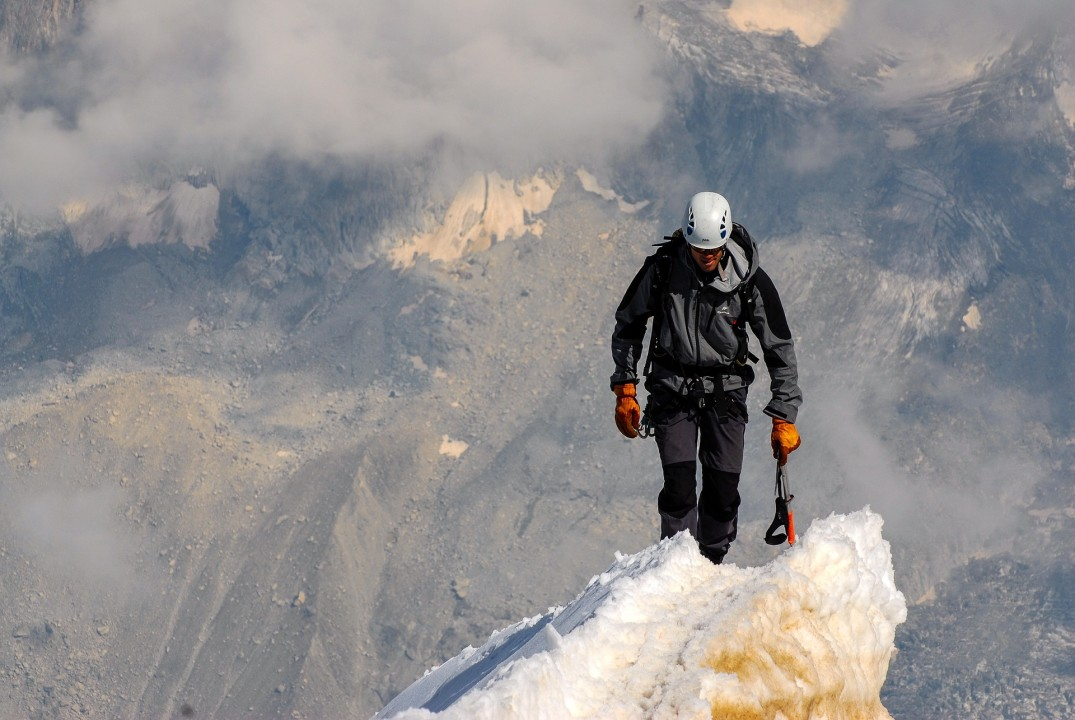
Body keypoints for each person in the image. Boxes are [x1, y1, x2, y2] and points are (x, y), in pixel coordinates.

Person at [610, 191, 802, 564]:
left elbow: (780, 347)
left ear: (726, 239)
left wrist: (784, 415)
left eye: (714, 249)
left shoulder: (748, 280)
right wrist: (625, 388)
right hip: (672, 390)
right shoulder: (663, 269)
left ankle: (711, 562)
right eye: (700, 250)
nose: (707, 257)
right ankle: (676, 567)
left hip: (726, 393)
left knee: (722, 491)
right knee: (679, 488)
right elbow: (629, 323)